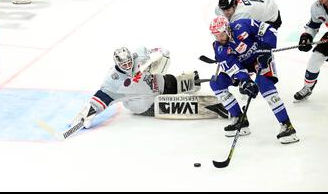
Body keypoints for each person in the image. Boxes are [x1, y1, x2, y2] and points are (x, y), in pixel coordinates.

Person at [70, 47, 229, 132]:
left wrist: (162, 54)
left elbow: (159, 52)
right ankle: (214, 108)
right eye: (123, 65)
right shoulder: (114, 81)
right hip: (148, 104)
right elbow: (100, 99)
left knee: (186, 82)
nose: (127, 66)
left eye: (129, 62)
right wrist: (87, 113)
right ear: (117, 64)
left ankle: (191, 82)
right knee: (178, 105)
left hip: (159, 83)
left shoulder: (139, 54)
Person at [208, 15, 299, 144]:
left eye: (221, 35)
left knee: (264, 84)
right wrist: (245, 81)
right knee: (216, 82)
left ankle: (287, 125)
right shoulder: (219, 48)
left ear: (227, 29)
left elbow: (269, 30)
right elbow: (234, 68)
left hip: (261, 59)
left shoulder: (243, 25)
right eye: (215, 36)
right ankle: (240, 119)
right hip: (243, 65)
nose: (219, 38)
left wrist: (266, 49)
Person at [215, 0, 282, 30]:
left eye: (228, 10)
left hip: (272, 17)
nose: (225, 13)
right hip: (264, 1)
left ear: (234, 6)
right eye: (223, 10)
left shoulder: (241, 15)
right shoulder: (226, 6)